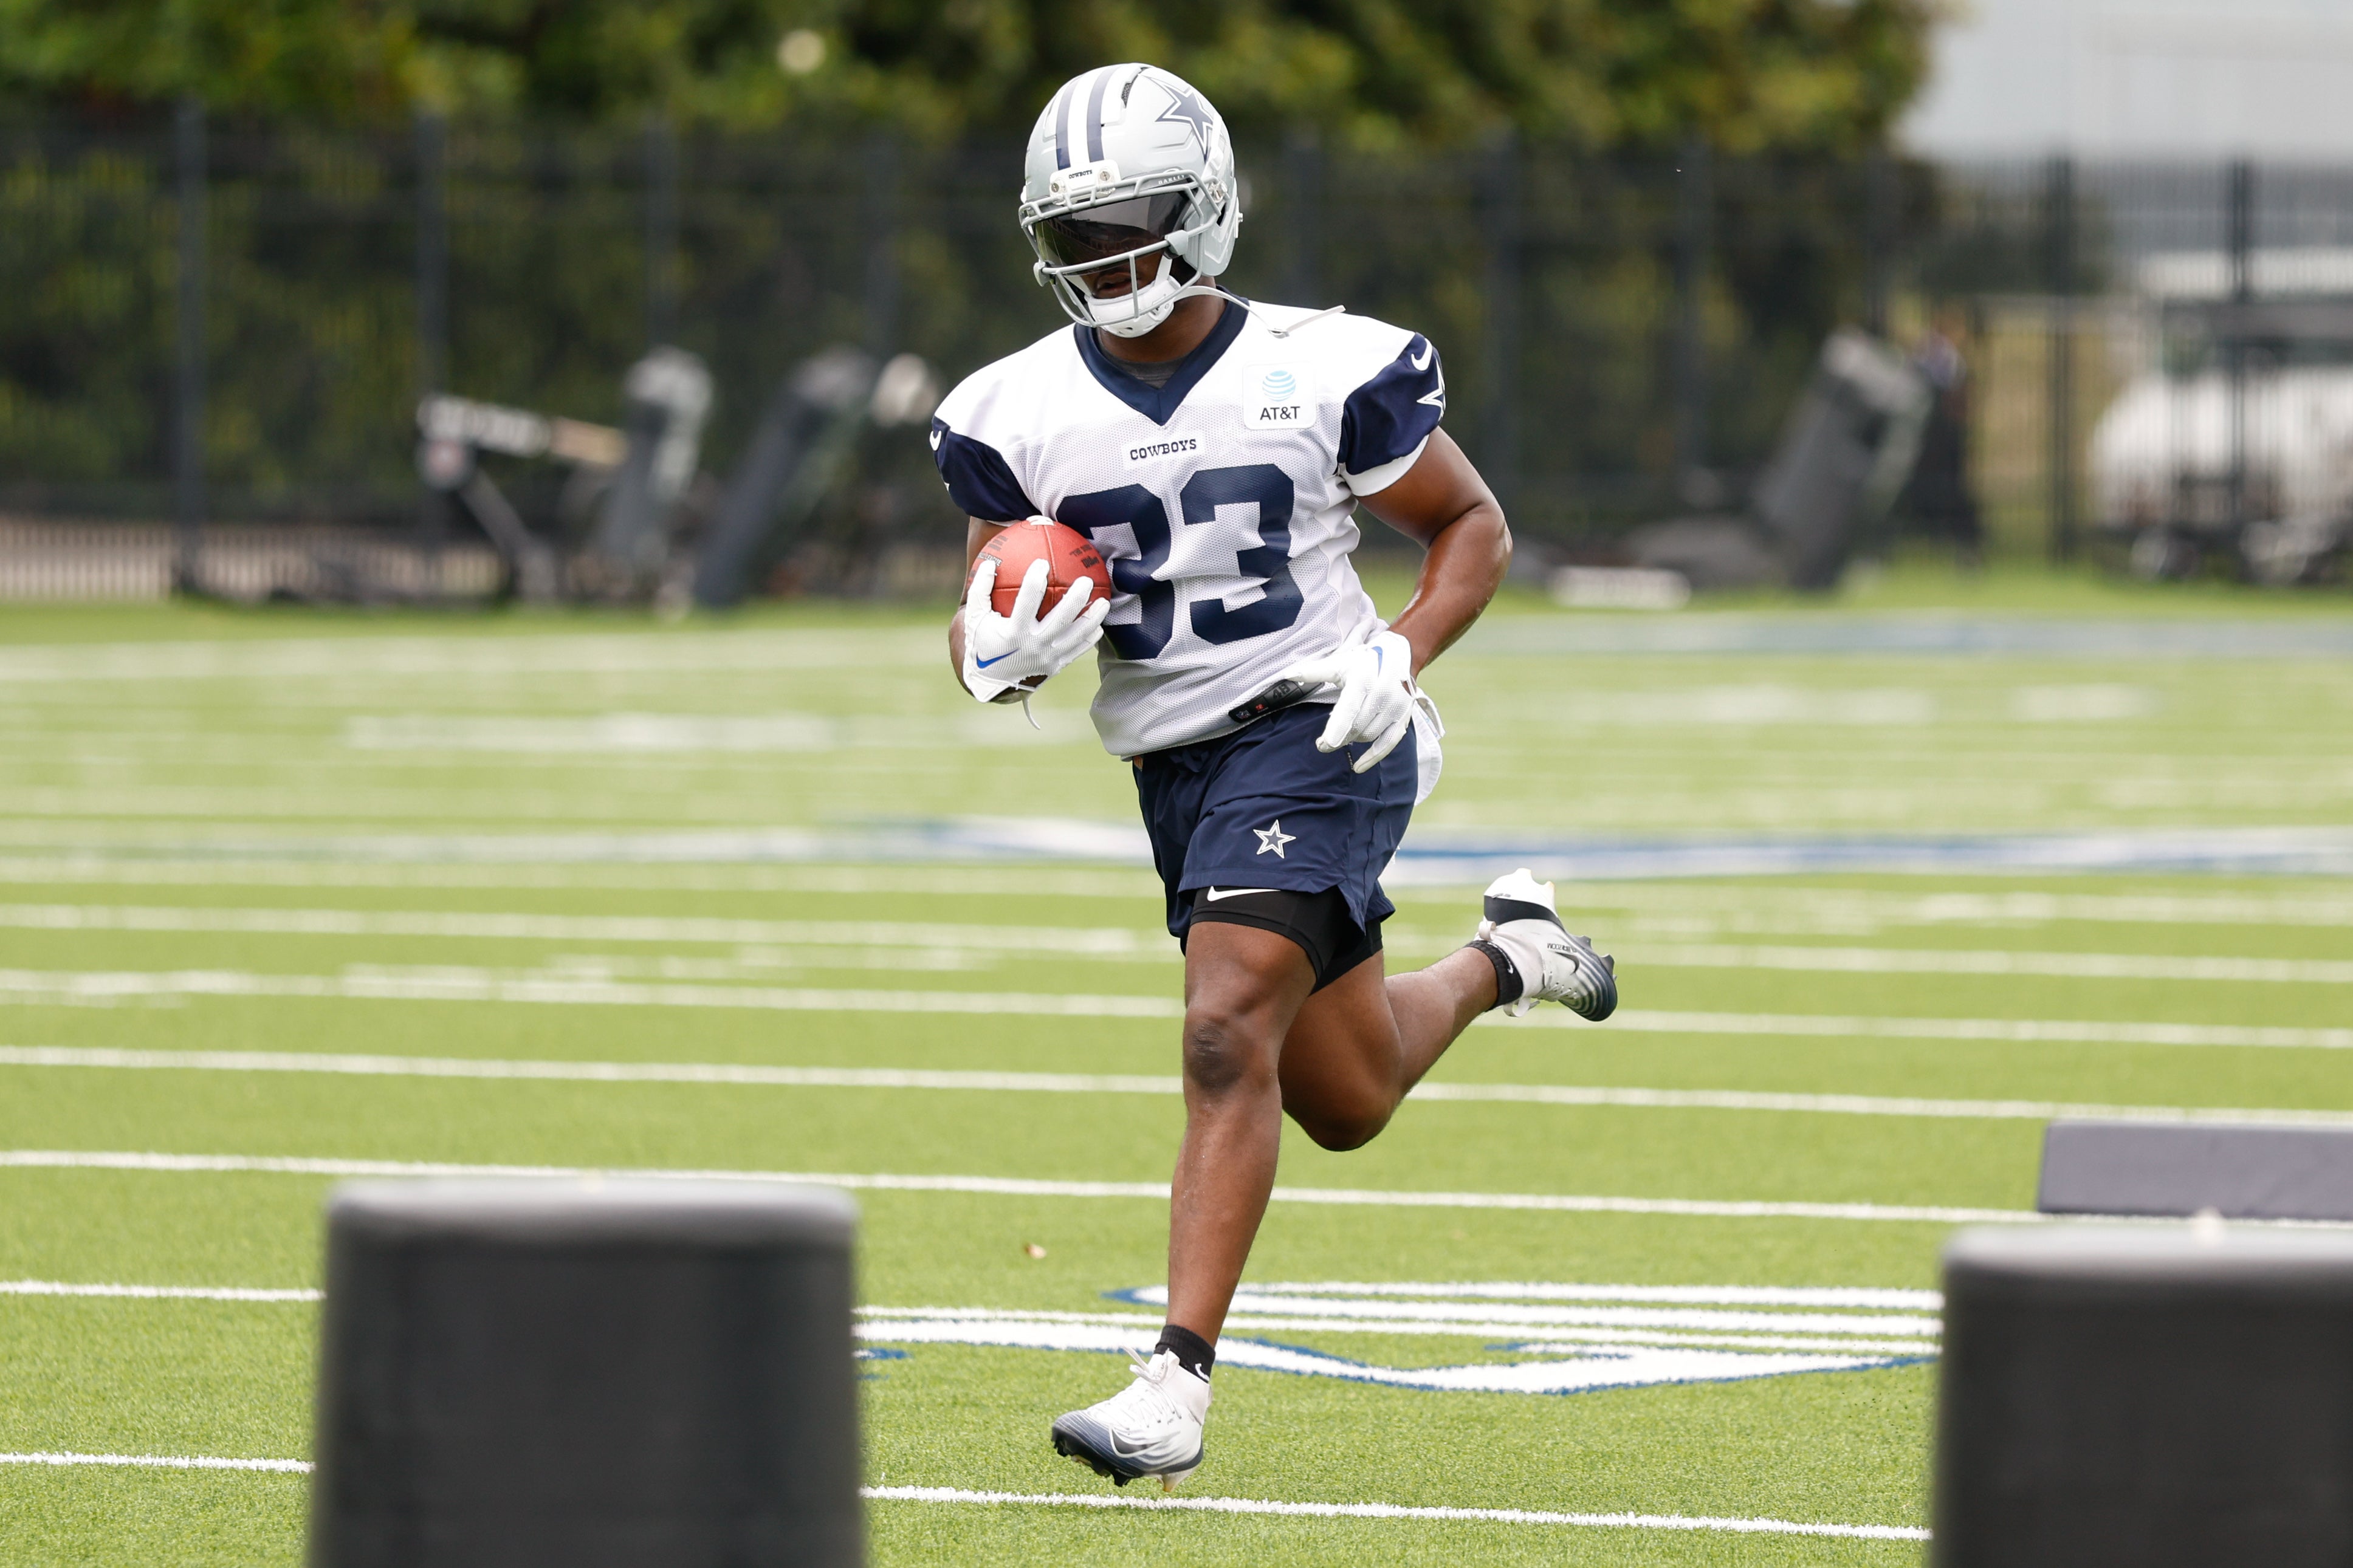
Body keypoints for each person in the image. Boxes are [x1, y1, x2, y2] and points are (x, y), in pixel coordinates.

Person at [930, 63, 1618, 1491]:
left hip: (1324, 718)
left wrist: (1405, 648)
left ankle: (1171, 1381)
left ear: (1207, 209)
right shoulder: (1009, 413)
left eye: (1136, 221)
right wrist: (992, 645)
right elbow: (985, 604)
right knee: (1343, 1094)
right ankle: (1511, 957)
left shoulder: (1320, 364)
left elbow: (1473, 525)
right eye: (1078, 233)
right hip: (1178, 767)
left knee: (1220, 1020)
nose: (1109, 259)